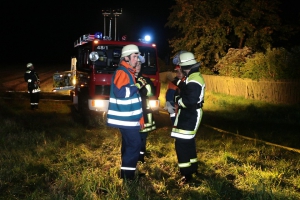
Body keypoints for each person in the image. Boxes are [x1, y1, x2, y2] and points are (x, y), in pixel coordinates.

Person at [106, 44, 147, 181]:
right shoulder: (122, 72)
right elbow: (120, 92)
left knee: (129, 145)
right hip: (126, 118)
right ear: (127, 58)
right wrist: (137, 86)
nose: (137, 59)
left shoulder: (128, 71)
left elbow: (133, 99)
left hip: (129, 118)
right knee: (134, 145)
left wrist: (140, 118)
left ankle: (127, 174)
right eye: (135, 57)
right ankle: (128, 177)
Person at [170, 51, 206, 184]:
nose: (179, 70)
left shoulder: (194, 79)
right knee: (189, 142)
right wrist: (178, 82)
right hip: (189, 115)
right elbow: (188, 90)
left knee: (182, 145)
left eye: (180, 68)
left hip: (189, 115)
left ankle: (187, 175)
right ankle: (193, 168)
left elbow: (189, 101)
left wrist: (178, 100)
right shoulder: (194, 76)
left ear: (185, 67)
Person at [135, 55, 156, 163]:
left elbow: (151, 92)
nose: (137, 66)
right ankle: (133, 157)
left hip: (144, 114)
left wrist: (144, 87)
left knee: (143, 137)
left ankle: (141, 158)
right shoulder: (128, 78)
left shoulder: (145, 79)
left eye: (139, 64)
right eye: (136, 63)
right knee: (133, 138)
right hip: (132, 115)